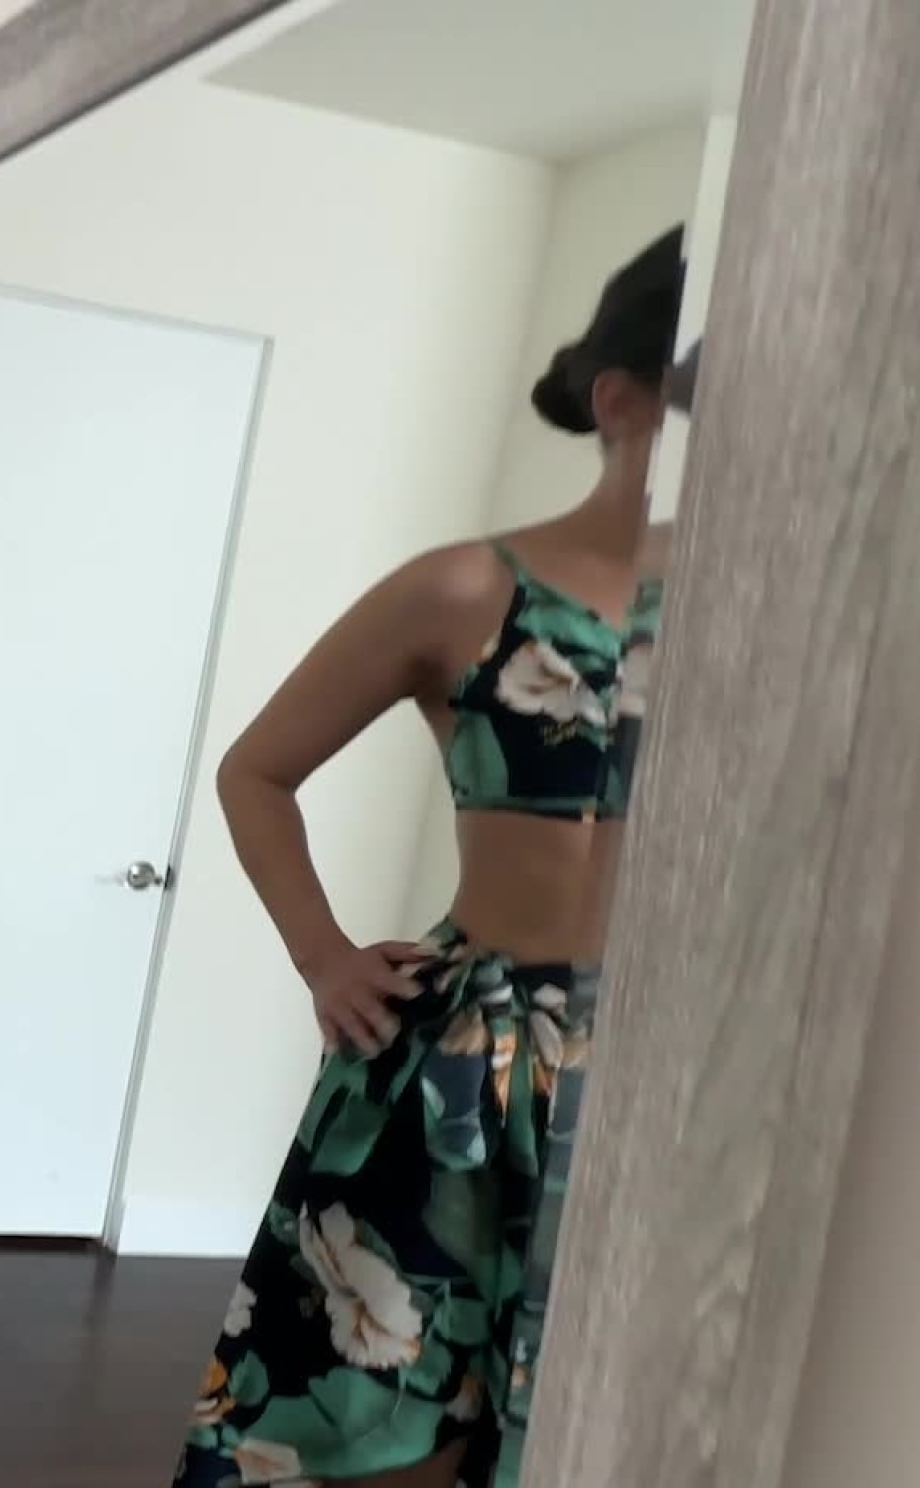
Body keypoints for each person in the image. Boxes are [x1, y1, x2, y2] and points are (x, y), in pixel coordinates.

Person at [172, 224, 685, 1488]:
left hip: (654, 1072)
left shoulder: (768, 615)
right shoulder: (464, 590)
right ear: (622, 401)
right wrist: (323, 958)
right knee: (376, 1424)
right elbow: (254, 771)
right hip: (461, 1061)